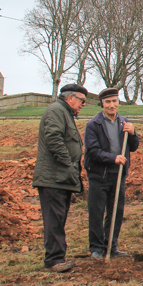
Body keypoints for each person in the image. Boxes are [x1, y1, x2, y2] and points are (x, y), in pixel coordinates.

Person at [32, 83, 88, 273]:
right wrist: (69, 164)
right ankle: (54, 260)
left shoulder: (65, 113)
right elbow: (54, 139)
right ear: (70, 97)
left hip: (60, 178)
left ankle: (57, 256)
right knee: (54, 219)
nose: (83, 104)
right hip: (53, 178)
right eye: (82, 100)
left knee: (58, 217)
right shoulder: (57, 111)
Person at [84, 88, 140, 259]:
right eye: (108, 102)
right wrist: (112, 158)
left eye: (114, 101)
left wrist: (133, 133)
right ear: (102, 104)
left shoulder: (124, 123)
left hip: (118, 175)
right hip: (99, 175)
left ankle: (111, 245)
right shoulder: (93, 125)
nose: (111, 105)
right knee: (97, 211)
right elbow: (93, 151)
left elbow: (134, 146)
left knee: (116, 211)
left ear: (118, 103)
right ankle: (96, 248)